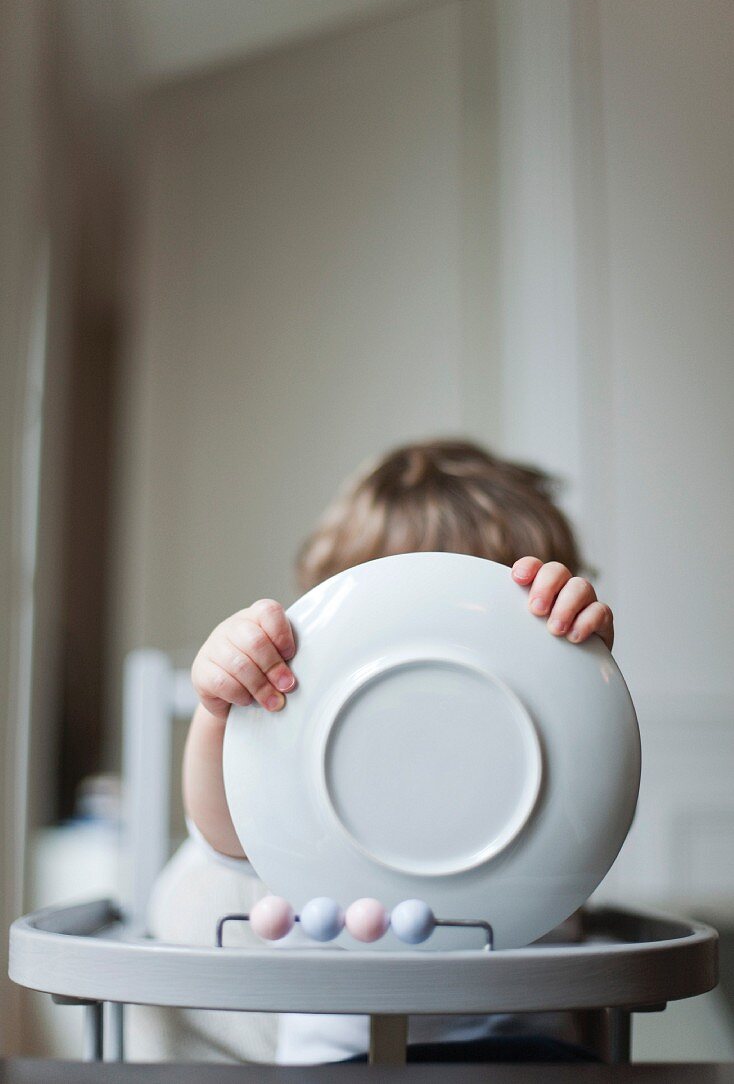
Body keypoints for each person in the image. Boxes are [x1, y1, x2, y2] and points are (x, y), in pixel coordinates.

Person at [181, 438, 614, 1065]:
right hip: (341, 1063)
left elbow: (605, 784)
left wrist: (588, 675)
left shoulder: (552, 749)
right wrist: (220, 711)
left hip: (526, 1054)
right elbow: (227, 835)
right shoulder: (299, 753)